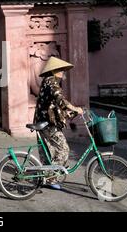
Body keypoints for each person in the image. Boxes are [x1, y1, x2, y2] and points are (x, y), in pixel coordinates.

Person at [34, 57, 84, 190]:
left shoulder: (48, 81)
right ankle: (51, 178)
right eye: (61, 71)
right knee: (63, 149)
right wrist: (75, 109)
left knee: (47, 151)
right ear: (54, 71)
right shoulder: (51, 82)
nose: (63, 73)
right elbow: (60, 100)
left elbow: (53, 105)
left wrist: (65, 113)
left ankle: (45, 177)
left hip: (43, 120)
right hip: (47, 123)